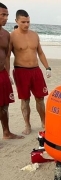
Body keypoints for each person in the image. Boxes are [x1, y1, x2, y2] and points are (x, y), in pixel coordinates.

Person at [7, 9, 51, 135]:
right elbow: (7, 56)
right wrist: (8, 73)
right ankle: (27, 125)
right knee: (25, 99)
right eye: (23, 22)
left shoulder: (34, 35)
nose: (26, 24)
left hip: (36, 70)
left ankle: (44, 122)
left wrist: (47, 68)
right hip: (21, 71)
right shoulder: (12, 36)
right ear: (16, 21)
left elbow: (40, 53)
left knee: (40, 98)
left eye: (28, 22)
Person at [0, 3, 23, 140]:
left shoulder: (5, 34)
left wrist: (8, 74)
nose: (6, 17)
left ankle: (6, 132)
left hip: (2, 73)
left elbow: (7, 56)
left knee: (4, 104)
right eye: (3, 14)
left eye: (7, 15)